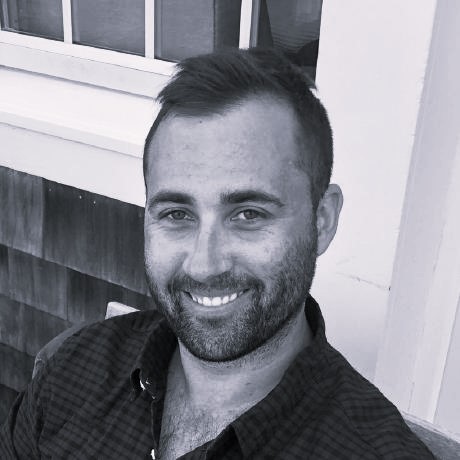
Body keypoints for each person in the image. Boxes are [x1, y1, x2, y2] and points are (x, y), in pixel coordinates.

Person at [0, 48, 434, 459]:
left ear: (322, 220)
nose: (204, 265)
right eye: (176, 213)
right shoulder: (75, 370)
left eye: (248, 213)